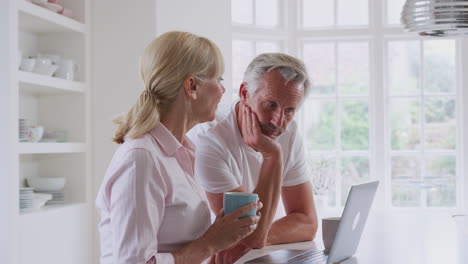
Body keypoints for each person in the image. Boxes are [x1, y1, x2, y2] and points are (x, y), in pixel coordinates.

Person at [95, 31, 262, 264]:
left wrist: (222, 235)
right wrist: (212, 242)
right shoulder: (141, 158)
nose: (223, 91)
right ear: (192, 86)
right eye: (219, 79)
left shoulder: (180, 153)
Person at [189, 53, 318, 263]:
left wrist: (261, 234)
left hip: (241, 255)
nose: (278, 122)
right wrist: (272, 155)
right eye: (271, 105)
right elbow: (252, 235)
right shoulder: (210, 138)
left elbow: (306, 222)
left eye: (289, 110)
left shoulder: (290, 133)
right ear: (244, 92)